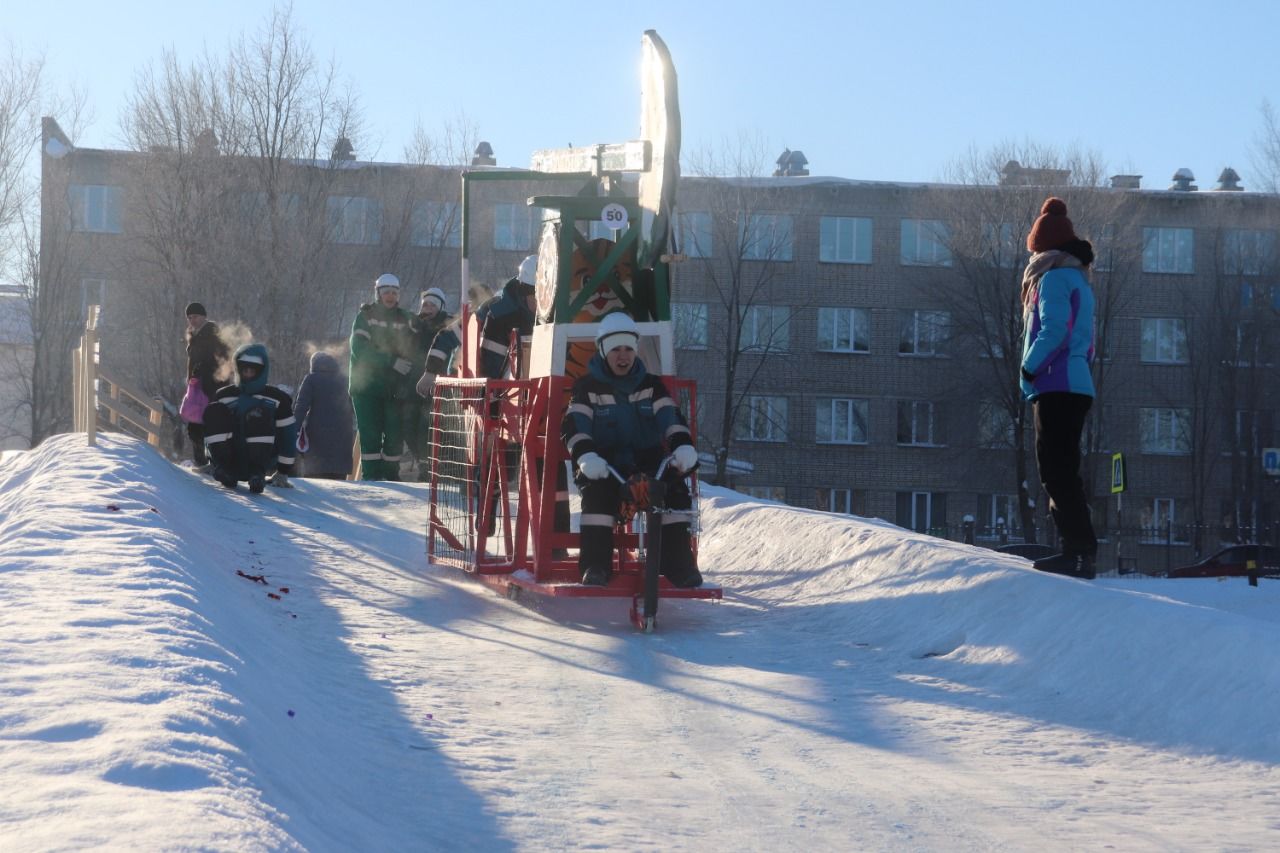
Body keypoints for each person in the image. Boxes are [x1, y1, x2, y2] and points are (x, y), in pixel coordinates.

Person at [560, 312, 702, 587]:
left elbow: (670, 418)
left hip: (647, 461)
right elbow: (575, 426)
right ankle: (596, 566)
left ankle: (678, 565)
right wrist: (586, 456)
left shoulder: (650, 386)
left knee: (674, 490)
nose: (622, 356)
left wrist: (683, 446)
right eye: (615, 349)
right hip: (606, 463)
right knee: (597, 495)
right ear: (603, 351)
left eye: (628, 349)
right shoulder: (587, 388)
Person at [1019, 197, 1098, 579]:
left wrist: (1029, 367)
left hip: (1057, 383)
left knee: (1055, 470)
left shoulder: (1052, 277)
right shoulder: (1079, 278)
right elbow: (1087, 340)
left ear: (1042, 246)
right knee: (1064, 469)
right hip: (1076, 382)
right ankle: (1079, 551)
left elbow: (1054, 330)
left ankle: (1077, 553)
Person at [203, 343, 298, 494]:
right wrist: (211, 458)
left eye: (252, 371)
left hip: (261, 458)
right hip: (229, 456)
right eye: (244, 370)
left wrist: (283, 471)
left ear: (261, 371)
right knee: (214, 411)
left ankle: (256, 475)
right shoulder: (224, 396)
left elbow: (288, 435)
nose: (247, 374)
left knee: (258, 414)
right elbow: (212, 429)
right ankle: (223, 469)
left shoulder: (277, 399)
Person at [349, 273, 415, 480]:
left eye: (394, 292)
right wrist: (391, 361)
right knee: (371, 434)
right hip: (366, 387)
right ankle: (372, 478)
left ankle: (391, 477)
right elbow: (360, 349)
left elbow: (413, 348)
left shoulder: (405, 318)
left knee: (395, 434)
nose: (390, 296)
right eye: (386, 292)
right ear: (378, 293)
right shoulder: (366, 317)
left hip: (394, 388)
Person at [403, 288, 455, 478]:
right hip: (412, 384)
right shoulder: (414, 325)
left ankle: (428, 468)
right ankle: (421, 460)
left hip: (437, 382)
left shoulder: (448, 324)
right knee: (408, 424)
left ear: (440, 307)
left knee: (427, 425)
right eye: (425, 304)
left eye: (433, 305)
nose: (428, 308)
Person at [294, 350, 355, 480]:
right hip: (343, 438)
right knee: (338, 485)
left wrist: (291, 431)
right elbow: (354, 408)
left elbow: (301, 407)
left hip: (317, 438)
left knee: (317, 486)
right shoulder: (345, 380)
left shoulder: (311, 379)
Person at [183, 302, 229, 471]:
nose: (192, 320)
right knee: (194, 424)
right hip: (197, 386)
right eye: (189, 317)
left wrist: (206, 370)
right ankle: (202, 461)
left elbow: (223, 360)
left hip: (212, 386)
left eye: (195, 316)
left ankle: (209, 461)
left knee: (206, 424)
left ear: (204, 316)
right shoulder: (194, 336)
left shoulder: (213, 334)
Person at [475, 255, 537, 380]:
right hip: (510, 389)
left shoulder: (560, 313)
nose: (541, 304)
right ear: (524, 292)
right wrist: (493, 396)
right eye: (536, 296)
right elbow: (492, 366)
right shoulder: (499, 317)